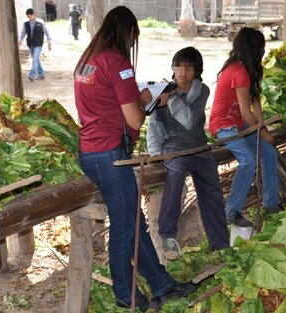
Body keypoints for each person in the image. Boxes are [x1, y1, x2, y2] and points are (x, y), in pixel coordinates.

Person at [74, 6, 197, 311]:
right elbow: (135, 121)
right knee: (125, 227)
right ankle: (125, 293)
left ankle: (161, 284)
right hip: (110, 155)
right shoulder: (117, 63)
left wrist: (137, 100)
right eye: (133, 39)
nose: (132, 45)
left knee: (133, 222)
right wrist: (145, 99)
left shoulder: (88, 59)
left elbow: (106, 104)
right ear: (128, 33)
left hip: (91, 149)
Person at [147, 47, 229, 260]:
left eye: (188, 67)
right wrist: (155, 153)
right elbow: (154, 125)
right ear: (173, 68)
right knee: (174, 175)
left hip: (199, 147)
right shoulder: (162, 91)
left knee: (211, 190)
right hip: (174, 147)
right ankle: (168, 236)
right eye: (178, 66)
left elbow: (190, 119)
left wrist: (173, 99)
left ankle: (220, 244)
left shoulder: (201, 90)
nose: (182, 72)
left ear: (197, 71)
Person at [208, 27, 282, 229]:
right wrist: (263, 132)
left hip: (240, 127)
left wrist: (263, 130)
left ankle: (271, 203)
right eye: (262, 47)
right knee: (248, 160)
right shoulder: (238, 72)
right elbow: (245, 113)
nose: (264, 51)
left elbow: (256, 104)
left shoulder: (249, 70)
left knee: (269, 154)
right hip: (223, 126)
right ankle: (232, 211)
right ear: (254, 49)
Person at [19, 8, 52, 81]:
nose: (29, 18)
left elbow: (47, 32)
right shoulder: (26, 24)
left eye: (30, 16)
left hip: (38, 44)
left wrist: (49, 42)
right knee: (35, 59)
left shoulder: (41, 22)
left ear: (34, 14)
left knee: (35, 59)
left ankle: (32, 74)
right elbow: (23, 32)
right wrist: (20, 39)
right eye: (28, 17)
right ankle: (41, 74)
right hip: (30, 44)